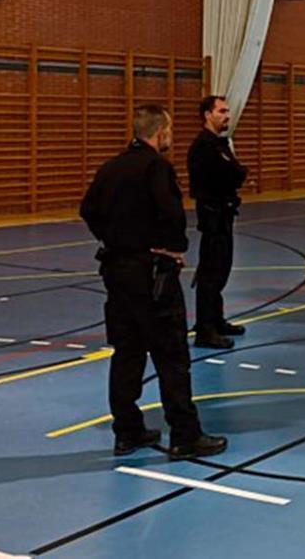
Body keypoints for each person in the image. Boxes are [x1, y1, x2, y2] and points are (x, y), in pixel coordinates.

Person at [80, 104, 227, 460]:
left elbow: (88, 210)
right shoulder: (156, 168)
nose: (171, 138)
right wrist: (172, 249)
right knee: (171, 357)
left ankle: (127, 432)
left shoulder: (111, 167)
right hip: (152, 274)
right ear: (159, 132)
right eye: (169, 132)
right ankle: (185, 435)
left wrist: (114, 239)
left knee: (127, 353)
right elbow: (171, 214)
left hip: (117, 272)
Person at [187, 96, 248, 350]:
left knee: (221, 271)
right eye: (221, 111)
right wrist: (236, 174)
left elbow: (236, 172)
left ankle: (215, 319)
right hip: (213, 216)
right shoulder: (204, 146)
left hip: (223, 215)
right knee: (210, 275)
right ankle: (205, 329)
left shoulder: (219, 144)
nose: (227, 116)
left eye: (227, 111)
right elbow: (233, 174)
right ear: (207, 115)